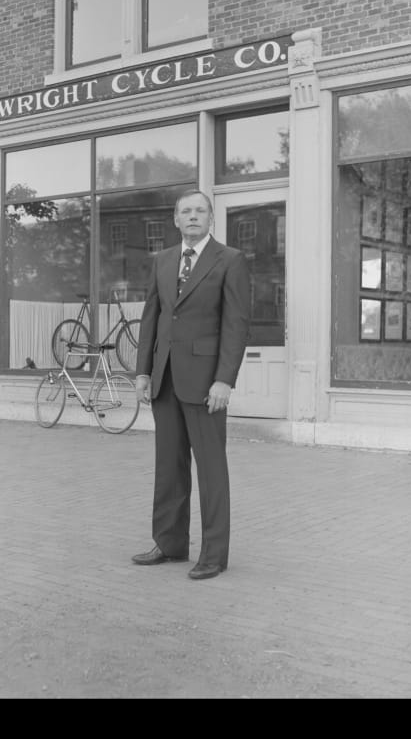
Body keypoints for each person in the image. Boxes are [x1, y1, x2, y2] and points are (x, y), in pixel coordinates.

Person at [133, 189, 250, 580]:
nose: (193, 216)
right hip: (164, 379)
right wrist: (143, 371)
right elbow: (152, 318)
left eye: (201, 210)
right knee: (169, 466)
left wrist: (224, 380)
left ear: (211, 218)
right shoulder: (162, 261)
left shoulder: (230, 260)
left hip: (205, 384)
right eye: (186, 211)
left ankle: (214, 555)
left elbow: (236, 325)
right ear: (176, 220)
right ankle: (169, 543)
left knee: (211, 470)